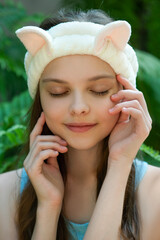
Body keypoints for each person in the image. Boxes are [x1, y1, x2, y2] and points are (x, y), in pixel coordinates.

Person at [0, 8, 160, 240]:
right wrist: (48, 209)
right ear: (40, 99)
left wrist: (120, 164)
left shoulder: (154, 192)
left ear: (126, 94)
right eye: (58, 92)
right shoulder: (5, 195)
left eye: (99, 90)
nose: (78, 107)